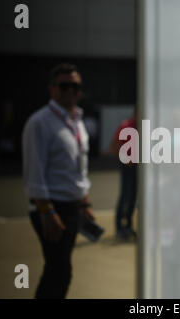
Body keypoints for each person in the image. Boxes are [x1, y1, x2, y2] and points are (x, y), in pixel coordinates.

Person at [22, 63, 104, 299]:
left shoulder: (78, 121)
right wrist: (46, 211)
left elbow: (78, 169)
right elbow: (34, 170)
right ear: (52, 89)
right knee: (59, 270)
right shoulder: (40, 122)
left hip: (71, 207)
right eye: (64, 86)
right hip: (50, 208)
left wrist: (84, 202)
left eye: (75, 86)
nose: (71, 91)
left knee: (59, 269)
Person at [108, 114, 137, 240]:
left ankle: (128, 225)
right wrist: (124, 158)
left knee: (134, 195)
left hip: (138, 165)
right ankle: (119, 227)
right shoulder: (126, 125)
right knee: (125, 194)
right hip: (127, 164)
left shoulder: (143, 125)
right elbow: (114, 145)